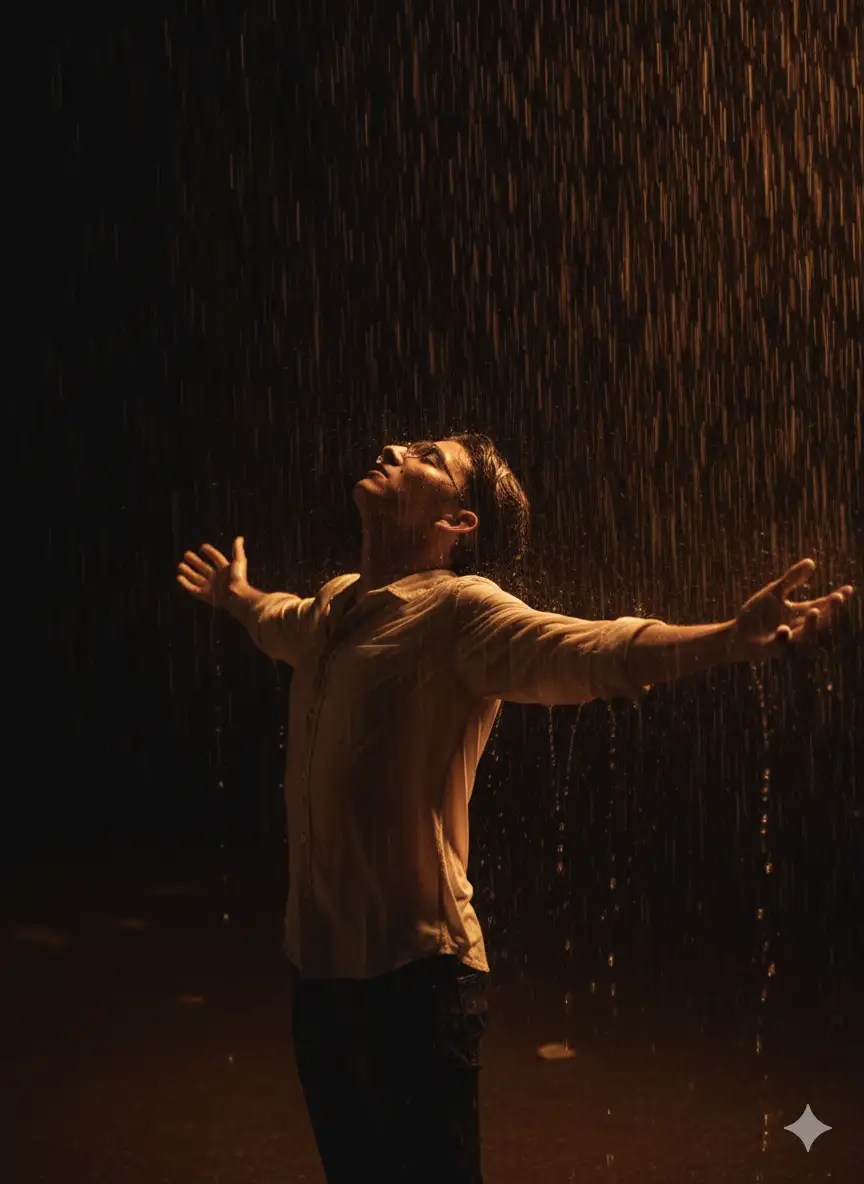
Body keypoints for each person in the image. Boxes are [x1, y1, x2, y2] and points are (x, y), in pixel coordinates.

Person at [176, 433, 854, 1183]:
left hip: (417, 981)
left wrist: (729, 638)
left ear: (458, 523)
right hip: (319, 975)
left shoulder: (462, 611)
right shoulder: (337, 605)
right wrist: (234, 595)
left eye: (428, 458)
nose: (395, 447)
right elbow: (279, 620)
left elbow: (589, 651)